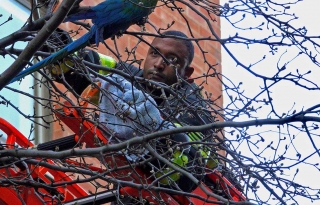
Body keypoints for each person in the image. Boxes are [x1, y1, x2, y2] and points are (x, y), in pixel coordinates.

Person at [47, 30, 214, 193]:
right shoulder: (132, 77)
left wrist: (151, 127)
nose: (158, 64)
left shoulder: (195, 111)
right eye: (154, 53)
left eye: (172, 59)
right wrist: (63, 54)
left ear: (187, 73)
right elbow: (93, 65)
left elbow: (188, 168)